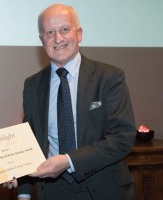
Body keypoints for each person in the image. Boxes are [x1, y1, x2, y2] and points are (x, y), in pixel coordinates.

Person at [17, 4, 136, 200]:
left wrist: (68, 161)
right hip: (52, 191)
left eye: (65, 29)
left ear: (79, 34)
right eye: (50, 32)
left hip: (104, 189)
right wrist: (24, 193)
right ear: (42, 40)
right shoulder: (32, 85)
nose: (58, 38)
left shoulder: (109, 77)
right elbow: (30, 142)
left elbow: (122, 139)